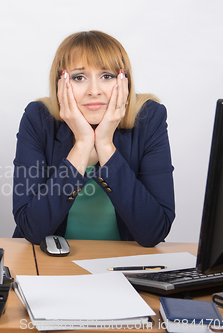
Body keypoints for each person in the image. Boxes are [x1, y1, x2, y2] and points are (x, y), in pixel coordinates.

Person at [12, 31, 175, 247]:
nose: (94, 91)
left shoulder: (149, 118)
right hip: (50, 264)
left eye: (106, 76)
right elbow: (32, 228)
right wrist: (82, 145)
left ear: (124, 81)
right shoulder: (38, 118)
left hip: (126, 264)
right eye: (79, 77)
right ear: (60, 84)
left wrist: (106, 145)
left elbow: (154, 231)